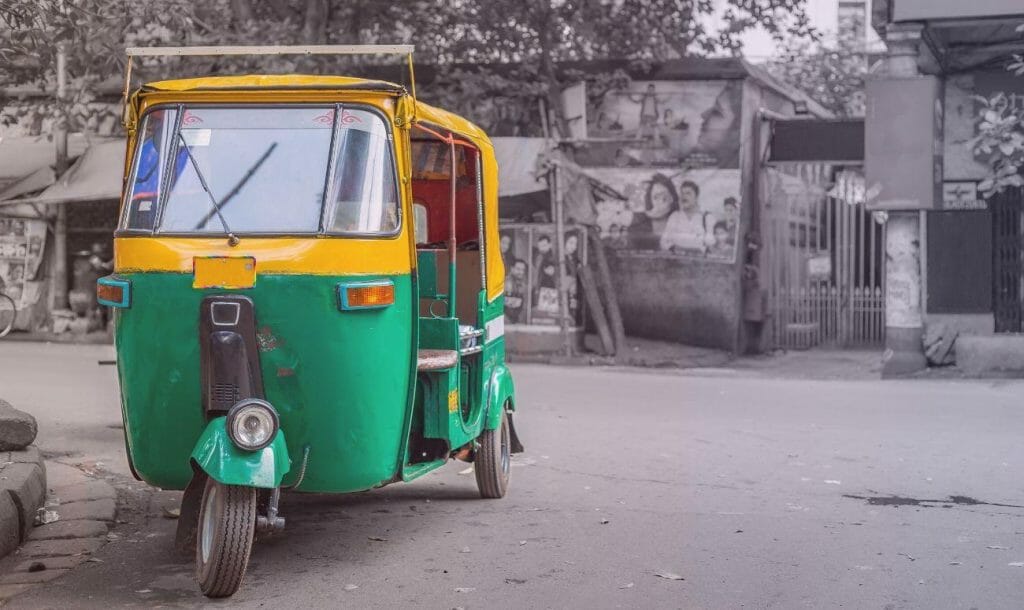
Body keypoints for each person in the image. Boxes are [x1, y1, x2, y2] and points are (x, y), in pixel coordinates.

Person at [660, 180, 714, 253]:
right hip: (677, 261)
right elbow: (663, 242)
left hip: (700, 262)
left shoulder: (707, 217)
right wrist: (674, 249)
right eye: (682, 193)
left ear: (696, 197)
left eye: (688, 193)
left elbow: (712, 245)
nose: (684, 197)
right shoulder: (675, 216)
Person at [504, 258, 528, 323]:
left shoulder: (524, 285)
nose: (521, 272)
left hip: (517, 321)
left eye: (523, 270)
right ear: (512, 269)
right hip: (506, 321)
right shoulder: (504, 283)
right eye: (518, 269)